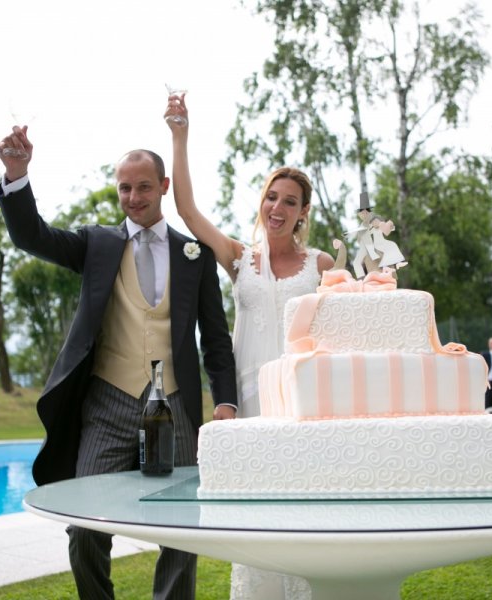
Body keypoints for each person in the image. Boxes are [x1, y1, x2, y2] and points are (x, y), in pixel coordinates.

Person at [0, 125, 238, 600]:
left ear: (163, 187)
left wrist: (225, 400)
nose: (133, 196)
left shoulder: (195, 254)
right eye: (125, 187)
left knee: (181, 527)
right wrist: (16, 174)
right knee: (85, 526)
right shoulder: (96, 244)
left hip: (176, 403)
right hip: (107, 403)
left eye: (143, 186)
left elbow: (215, 337)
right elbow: (31, 236)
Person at [166, 94, 334, 599]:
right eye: (271, 197)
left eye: (289, 201)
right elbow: (188, 211)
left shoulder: (322, 265)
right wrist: (180, 134)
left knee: (301, 510)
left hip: (304, 404)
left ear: (303, 212)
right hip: (250, 399)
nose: (277, 207)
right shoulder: (239, 257)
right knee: (257, 514)